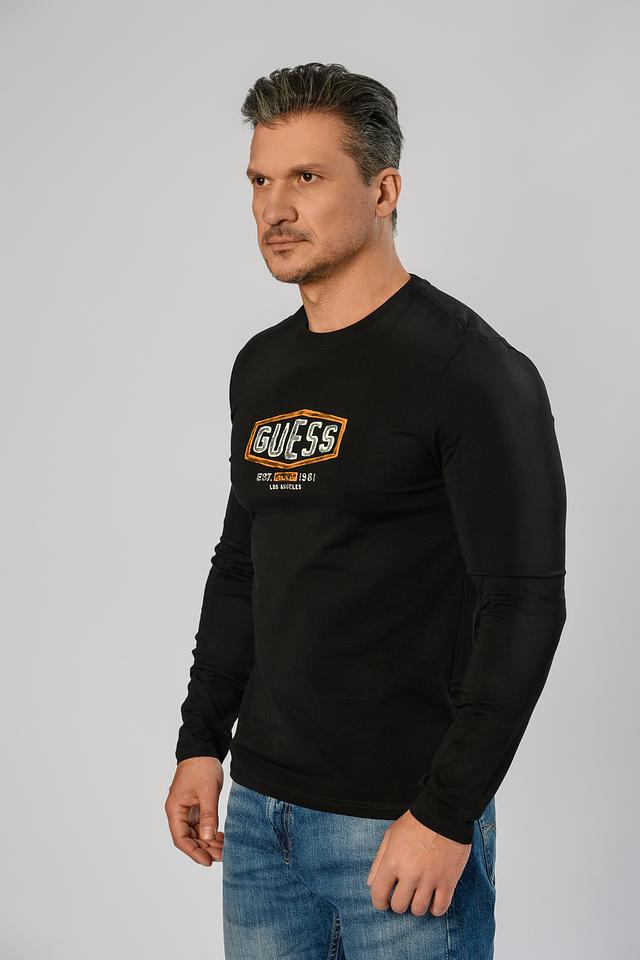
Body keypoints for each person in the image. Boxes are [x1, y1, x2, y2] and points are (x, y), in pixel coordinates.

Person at [164, 62, 567, 960]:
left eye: (307, 177)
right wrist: (201, 744)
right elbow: (243, 564)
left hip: (398, 826)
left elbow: (526, 603)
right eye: (260, 180)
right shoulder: (262, 367)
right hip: (260, 823)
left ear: (384, 191)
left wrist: (445, 812)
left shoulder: (472, 372)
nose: (274, 208)